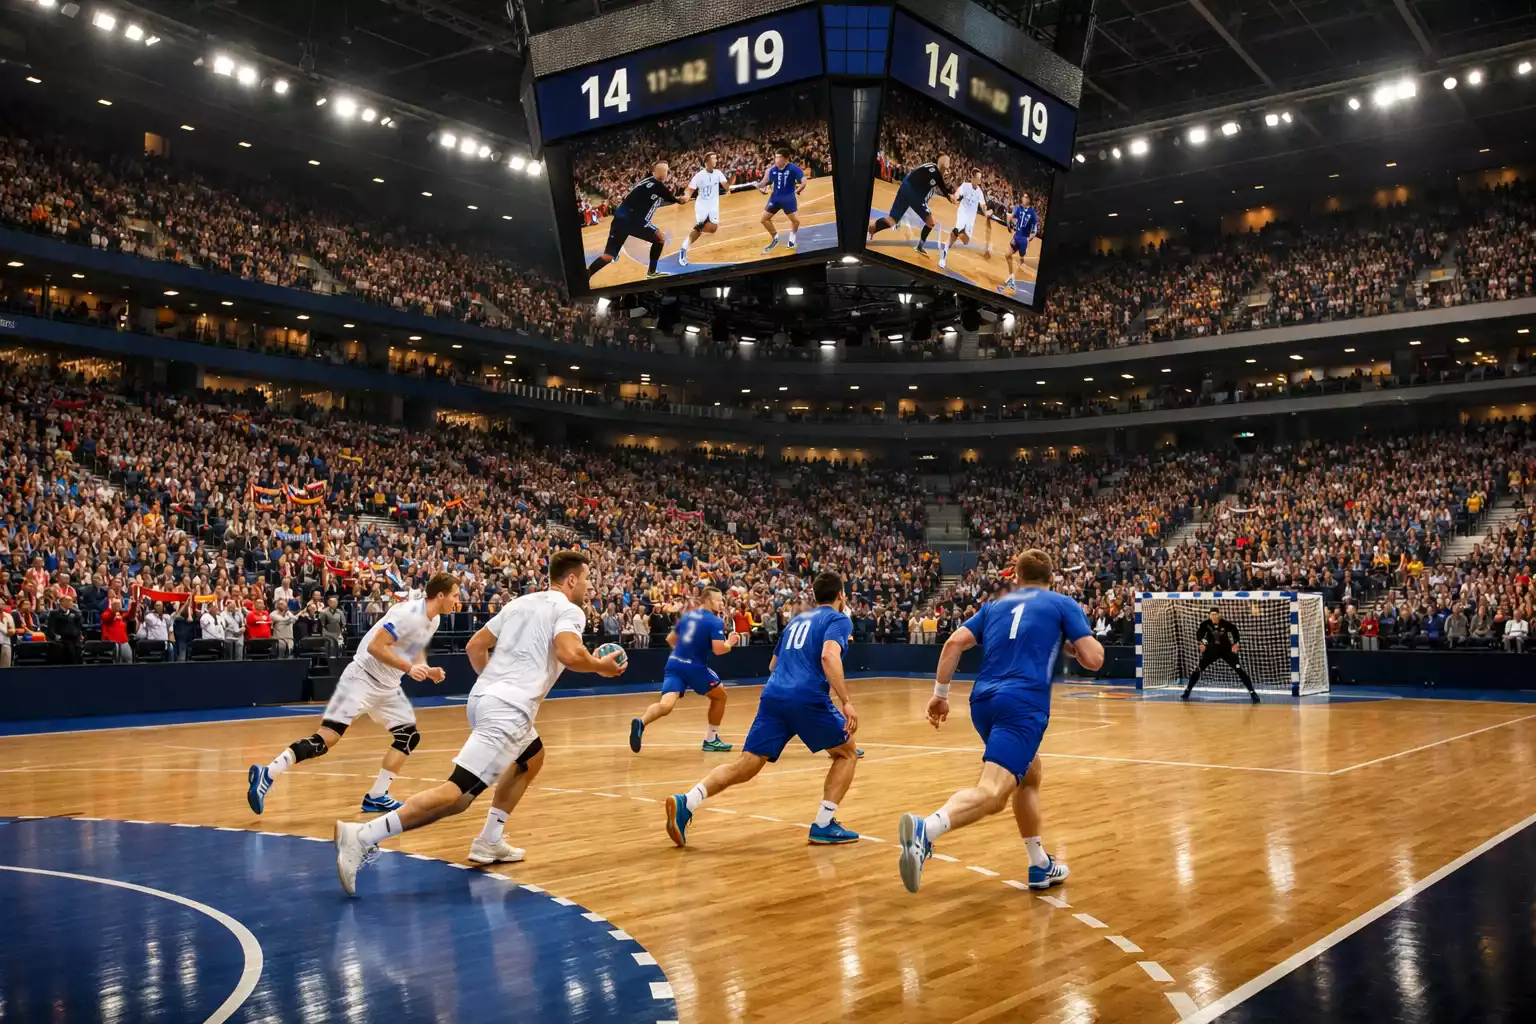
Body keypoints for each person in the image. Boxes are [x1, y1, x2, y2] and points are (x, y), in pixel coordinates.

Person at [333, 550, 626, 894]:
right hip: (507, 711)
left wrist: (494, 683)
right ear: (572, 579)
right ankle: (362, 836)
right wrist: (600, 666)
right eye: (587, 579)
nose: (589, 587)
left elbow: (475, 646)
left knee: (532, 757)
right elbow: (569, 653)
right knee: (455, 796)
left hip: (485, 700)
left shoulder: (521, 602)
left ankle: (490, 840)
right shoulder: (569, 610)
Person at [896, 549, 1103, 894]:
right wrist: (1071, 646)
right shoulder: (1061, 604)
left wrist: (941, 695)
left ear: (1016, 579)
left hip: (983, 703)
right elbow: (1095, 659)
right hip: (1022, 704)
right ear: (1051, 580)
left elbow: (953, 643)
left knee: (1030, 773)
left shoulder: (993, 607)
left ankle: (1039, 864)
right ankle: (925, 830)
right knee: (993, 794)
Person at [663, 570, 861, 848]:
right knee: (847, 753)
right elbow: (829, 655)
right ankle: (824, 823)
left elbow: (772, 665)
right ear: (841, 595)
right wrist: (846, 702)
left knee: (746, 766)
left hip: (773, 695)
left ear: (815, 597)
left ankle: (688, 801)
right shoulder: (839, 620)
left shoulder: (797, 621)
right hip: (806, 696)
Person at [247, 572, 460, 817]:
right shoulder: (407, 614)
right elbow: (375, 646)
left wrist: (425, 668)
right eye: (454, 595)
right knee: (325, 740)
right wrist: (410, 669)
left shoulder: (434, 621)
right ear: (441, 595)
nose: (457, 600)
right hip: (361, 679)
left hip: (387, 687)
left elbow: (412, 649)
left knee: (408, 737)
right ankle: (268, 772)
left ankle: (377, 796)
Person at [630, 587, 741, 754]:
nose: (722, 604)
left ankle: (641, 722)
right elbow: (719, 650)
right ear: (709, 601)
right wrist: (731, 642)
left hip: (674, 663)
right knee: (720, 697)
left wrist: (686, 652)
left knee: (666, 704)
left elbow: (670, 639)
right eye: (719, 601)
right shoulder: (714, 621)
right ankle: (711, 739)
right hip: (694, 667)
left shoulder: (688, 615)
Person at [587, 162, 677, 281]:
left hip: (620, 220)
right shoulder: (656, 185)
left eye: (666, 170)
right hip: (633, 221)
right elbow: (676, 200)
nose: (664, 173)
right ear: (653, 171)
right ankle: (652, 272)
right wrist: (687, 194)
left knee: (609, 256)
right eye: (662, 170)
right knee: (660, 238)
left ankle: (585, 277)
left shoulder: (645, 183)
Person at [868, 154, 953, 256]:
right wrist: (950, 197)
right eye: (947, 164)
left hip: (906, 187)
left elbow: (918, 175)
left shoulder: (930, 167)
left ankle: (870, 229)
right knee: (931, 223)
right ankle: (920, 246)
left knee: (892, 221)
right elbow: (943, 189)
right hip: (914, 194)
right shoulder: (936, 172)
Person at [1182, 607, 1260, 703]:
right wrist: (1202, 644)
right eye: (1212, 614)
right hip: (1211, 651)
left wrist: (1236, 644)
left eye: (1215, 614)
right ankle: (1187, 691)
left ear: (1219, 615)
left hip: (1226, 651)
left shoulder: (1227, 624)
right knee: (1198, 669)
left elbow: (1236, 635)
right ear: (1209, 615)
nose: (1214, 616)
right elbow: (1199, 636)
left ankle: (1253, 693)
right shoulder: (1204, 624)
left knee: (1240, 670)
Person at [678, 152, 729, 267]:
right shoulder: (699, 176)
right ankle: (683, 249)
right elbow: (690, 189)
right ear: (707, 162)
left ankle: (698, 229)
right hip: (702, 206)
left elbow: (726, 186)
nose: (716, 161)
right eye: (713, 159)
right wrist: (686, 197)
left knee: (713, 228)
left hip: (713, 206)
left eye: (716, 158)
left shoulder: (718, 173)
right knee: (699, 228)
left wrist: (728, 186)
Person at [939, 168, 989, 270]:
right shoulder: (965, 186)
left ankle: (950, 239)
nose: (979, 181)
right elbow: (957, 195)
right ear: (973, 178)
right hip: (963, 213)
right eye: (978, 178)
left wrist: (986, 212)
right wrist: (954, 197)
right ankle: (944, 255)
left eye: (980, 179)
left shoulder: (979, 192)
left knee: (966, 241)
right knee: (957, 228)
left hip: (971, 218)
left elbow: (983, 205)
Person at [1000, 192, 1041, 295]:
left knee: (1021, 259)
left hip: (1024, 240)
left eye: (1025, 197)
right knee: (1007, 255)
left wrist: (1029, 239)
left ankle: (1022, 260)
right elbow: (1011, 216)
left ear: (1029, 200)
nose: (1023, 198)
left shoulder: (1033, 214)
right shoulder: (1018, 208)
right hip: (1016, 237)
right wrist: (1008, 224)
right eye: (1023, 196)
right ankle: (1011, 279)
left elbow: (1035, 231)